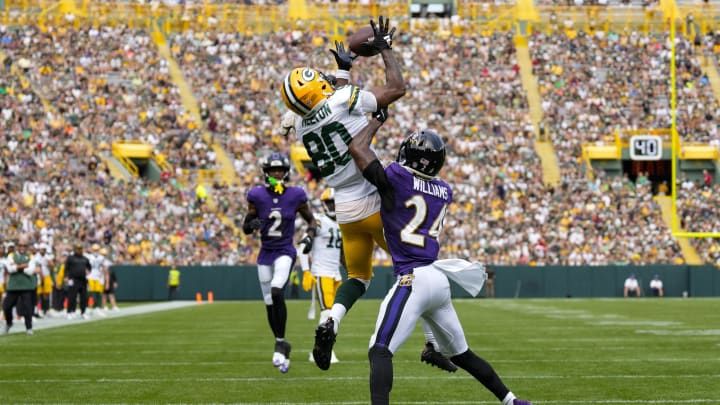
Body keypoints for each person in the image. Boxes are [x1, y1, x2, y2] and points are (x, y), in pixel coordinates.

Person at [281, 16, 452, 373]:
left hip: (345, 209)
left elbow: (334, 109)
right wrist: (385, 48)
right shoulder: (340, 99)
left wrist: (344, 71)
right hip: (373, 199)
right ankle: (434, 345)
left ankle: (332, 320)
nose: (327, 79)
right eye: (320, 80)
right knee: (420, 267)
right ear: (316, 90)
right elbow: (395, 89)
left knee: (357, 278)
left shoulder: (300, 126)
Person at [347, 111, 533, 405]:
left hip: (413, 278)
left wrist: (375, 121)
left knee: (379, 350)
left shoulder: (398, 176)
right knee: (463, 354)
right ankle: (511, 400)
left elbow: (357, 148)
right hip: (438, 279)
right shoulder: (444, 190)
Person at [243, 152, 318, 374]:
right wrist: (251, 224)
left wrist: (310, 235)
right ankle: (281, 340)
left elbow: (311, 219)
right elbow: (246, 226)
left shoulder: (296, 194)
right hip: (265, 252)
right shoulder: (256, 195)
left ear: (286, 172)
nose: (276, 174)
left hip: (285, 250)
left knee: (277, 292)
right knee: (268, 302)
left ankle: (279, 343)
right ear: (266, 172)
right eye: (273, 170)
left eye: (280, 170)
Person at [299, 188, 343, 364]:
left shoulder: (342, 222)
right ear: (324, 204)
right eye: (329, 202)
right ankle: (322, 351)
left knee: (334, 315)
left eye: (334, 202)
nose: (332, 205)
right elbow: (302, 247)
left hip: (336, 275)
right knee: (327, 313)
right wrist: (306, 271)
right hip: (322, 272)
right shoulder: (318, 221)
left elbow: (343, 253)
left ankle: (320, 350)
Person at [3, 237, 39, 335]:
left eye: (24, 245)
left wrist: (17, 266)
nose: (22, 247)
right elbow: (10, 269)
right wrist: (23, 266)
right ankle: (9, 323)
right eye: (20, 245)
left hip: (26, 286)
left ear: (27, 247)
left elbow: (31, 271)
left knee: (28, 307)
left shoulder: (30, 256)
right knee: (6, 306)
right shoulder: (11, 255)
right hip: (13, 286)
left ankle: (29, 328)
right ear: (17, 246)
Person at [64, 243, 91, 319]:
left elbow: (89, 267)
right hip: (73, 279)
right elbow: (66, 268)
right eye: (78, 249)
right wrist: (66, 277)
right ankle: (70, 312)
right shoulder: (71, 258)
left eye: (80, 249)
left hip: (83, 280)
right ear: (75, 249)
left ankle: (83, 312)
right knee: (72, 297)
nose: (79, 250)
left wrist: (88, 271)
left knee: (83, 297)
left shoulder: (85, 258)